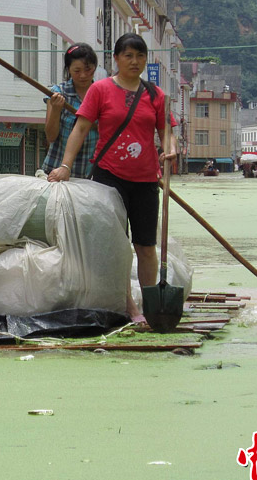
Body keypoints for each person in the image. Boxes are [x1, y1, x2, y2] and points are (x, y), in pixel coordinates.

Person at [47, 33, 177, 323]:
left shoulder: (155, 95)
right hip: (109, 177)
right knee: (117, 246)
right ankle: (129, 306)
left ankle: (150, 304)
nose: (134, 61)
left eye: (140, 56)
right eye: (128, 55)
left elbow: (166, 131)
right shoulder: (101, 89)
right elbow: (81, 128)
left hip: (146, 179)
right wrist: (66, 166)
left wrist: (170, 148)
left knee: (146, 246)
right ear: (116, 59)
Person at [41, 43, 100, 178]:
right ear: (68, 70)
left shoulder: (102, 94)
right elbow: (50, 137)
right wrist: (56, 110)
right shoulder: (58, 93)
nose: (83, 75)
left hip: (90, 176)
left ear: (95, 68)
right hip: (55, 173)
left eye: (88, 69)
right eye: (77, 71)